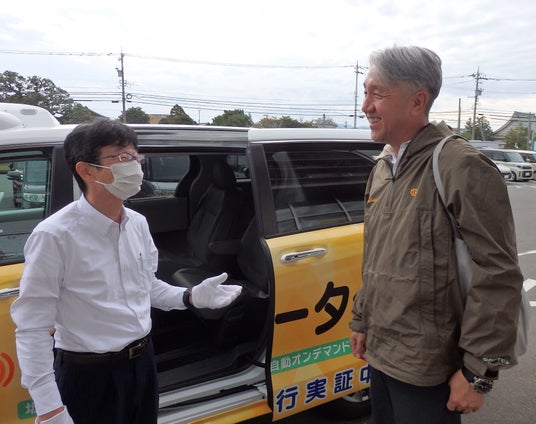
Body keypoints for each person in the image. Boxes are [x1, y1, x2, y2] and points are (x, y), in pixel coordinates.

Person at [11, 119, 242, 424]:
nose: (135, 166)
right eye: (122, 157)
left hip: (142, 362)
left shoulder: (137, 223)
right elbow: (32, 328)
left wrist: (190, 296)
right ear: (87, 170)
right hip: (88, 375)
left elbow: (148, 287)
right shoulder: (54, 235)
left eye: (136, 156)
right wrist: (50, 408)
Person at [349, 46, 524, 424]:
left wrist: (479, 373)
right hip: (381, 355)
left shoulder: (459, 165)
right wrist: (361, 320)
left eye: (377, 93)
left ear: (417, 101)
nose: (365, 106)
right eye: (365, 92)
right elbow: (376, 255)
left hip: (429, 368)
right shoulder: (382, 167)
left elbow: (498, 274)